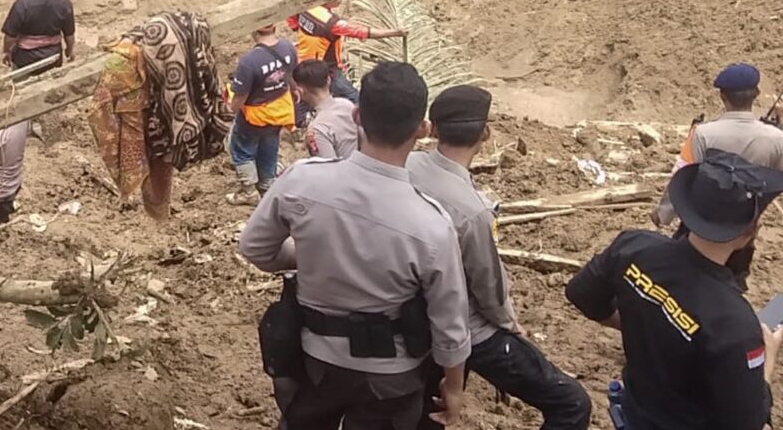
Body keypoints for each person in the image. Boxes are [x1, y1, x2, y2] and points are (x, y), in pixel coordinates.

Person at [239, 61, 471, 430]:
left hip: (315, 361)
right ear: (423, 130)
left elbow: (255, 247)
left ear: (358, 116)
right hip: (392, 376)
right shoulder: (432, 224)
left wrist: (307, 255)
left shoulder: (303, 180)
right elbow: (450, 323)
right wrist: (454, 386)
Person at [410, 85, 591, 430]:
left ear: (433, 129)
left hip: (410, 311)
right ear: (486, 133)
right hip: (464, 327)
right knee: (571, 403)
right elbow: (487, 287)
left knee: (426, 411)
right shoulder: (473, 212)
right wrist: (510, 324)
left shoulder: (409, 165)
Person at [567, 150, 783, 430]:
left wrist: (648, 323)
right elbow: (746, 421)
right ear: (751, 230)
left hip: (634, 413)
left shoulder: (633, 246)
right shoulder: (735, 325)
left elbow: (581, 295)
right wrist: (769, 357)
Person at [654, 63, 783, 289]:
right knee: (731, 284)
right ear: (757, 95)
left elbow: (682, 174)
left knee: (681, 280)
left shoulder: (703, 133)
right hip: (742, 228)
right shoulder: (776, 139)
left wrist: (662, 214)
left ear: (723, 96)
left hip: (699, 222)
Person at [227, 26, 298, 203]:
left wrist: (230, 112)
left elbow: (241, 94)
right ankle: (267, 186)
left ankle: (249, 192)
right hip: (279, 111)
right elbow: (291, 74)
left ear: (254, 31)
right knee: (270, 146)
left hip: (254, 115)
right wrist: (295, 90)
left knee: (242, 150)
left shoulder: (249, 61)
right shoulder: (288, 47)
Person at [289, 1, 407, 102]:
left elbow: (292, 16)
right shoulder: (330, 23)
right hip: (325, 67)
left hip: (304, 58)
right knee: (354, 97)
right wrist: (395, 33)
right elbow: (363, 32)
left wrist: (295, 27)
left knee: (305, 92)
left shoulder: (306, 7)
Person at [1, 0, 76, 73]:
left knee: (22, 89)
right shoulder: (65, 4)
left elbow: (10, 37)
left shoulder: (22, 4)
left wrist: (7, 52)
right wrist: (69, 51)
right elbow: (69, 35)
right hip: (53, 59)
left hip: (25, 60)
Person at [299, 60, 359, 160]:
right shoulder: (347, 105)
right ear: (328, 80)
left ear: (300, 90)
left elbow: (327, 169)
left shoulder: (317, 130)